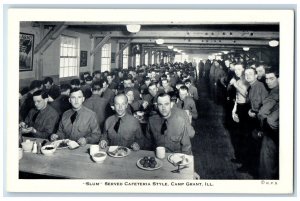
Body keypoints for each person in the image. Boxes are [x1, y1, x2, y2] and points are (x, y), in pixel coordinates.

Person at [257, 68, 279, 179]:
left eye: (271, 78)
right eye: (266, 79)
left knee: (267, 160)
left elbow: (262, 113)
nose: (268, 81)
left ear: (279, 79)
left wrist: (262, 127)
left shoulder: (275, 93)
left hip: (271, 132)